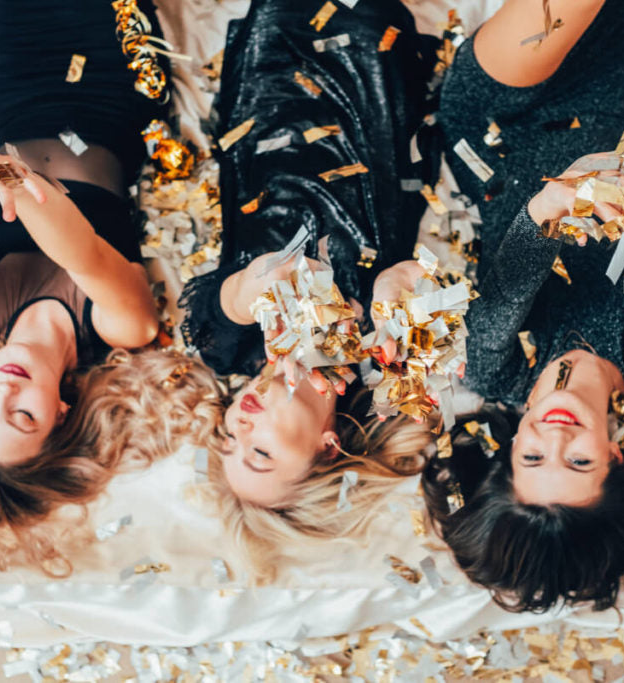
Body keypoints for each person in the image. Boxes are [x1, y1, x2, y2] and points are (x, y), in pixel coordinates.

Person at [0, 0, 218, 575]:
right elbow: (76, 246)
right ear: (59, 415)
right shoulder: (121, 331)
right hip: (114, 92)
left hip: (16, 88)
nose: (5, 391)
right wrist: (1, 173)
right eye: (22, 417)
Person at [417, 0, 624, 611]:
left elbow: (509, 282)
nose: (553, 437)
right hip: (601, 103)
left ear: (508, 453)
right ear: (615, 458)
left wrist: (559, 201)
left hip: (497, 131)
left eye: (533, 457)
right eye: (578, 461)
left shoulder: (495, 372)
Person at [177, 0, 437, 578]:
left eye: (228, 443)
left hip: (269, 111)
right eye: (260, 453)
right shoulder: (383, 372)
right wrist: (400, 287)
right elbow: (425, 281)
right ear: (326, 448)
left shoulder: (230, 350)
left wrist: (263, 281)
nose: (239, 428)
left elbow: (225, 300)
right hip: (371, 109)